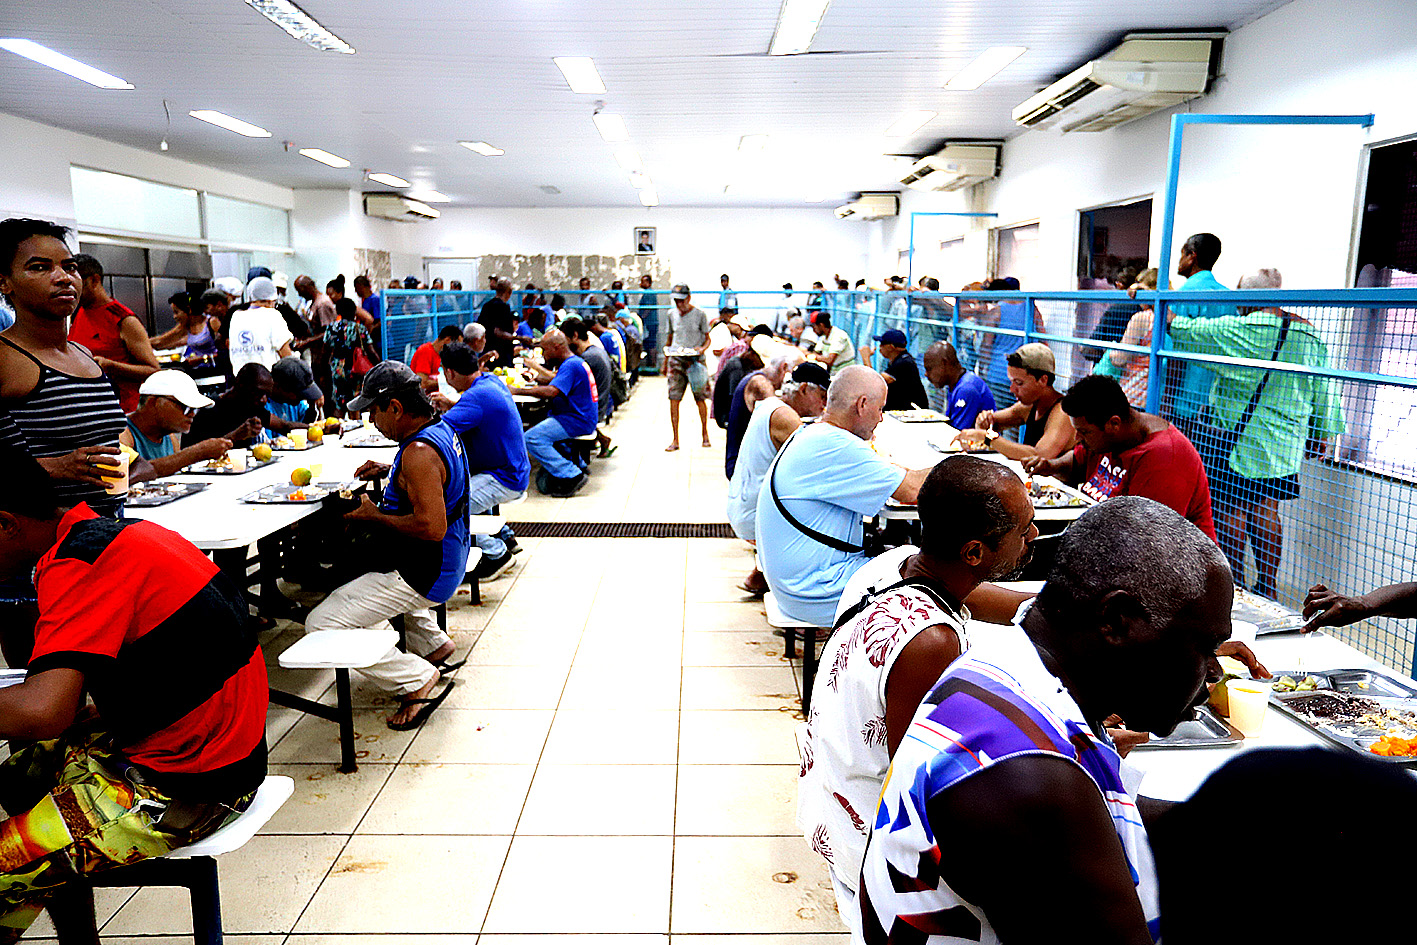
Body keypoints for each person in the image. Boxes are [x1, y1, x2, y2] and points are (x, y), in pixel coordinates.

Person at [859, 497, 1234, 945]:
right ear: (1116, 621)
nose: (1215, 670)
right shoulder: (1028, 780)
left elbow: (1112, 812)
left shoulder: (1004, 669)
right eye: (1205, 645)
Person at [0, 449, 268, 939]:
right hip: (211, 742)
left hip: (195, 784)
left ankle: (37, 878)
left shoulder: (77, 564)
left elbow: (45, 712)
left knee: (4, 861)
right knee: (18, 780)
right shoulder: (102, 534)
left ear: (5, 524)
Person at [799, 457, 1037, 932]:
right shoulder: (931, 642)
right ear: (973, 553)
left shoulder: (897, 567)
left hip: (828, 808)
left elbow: (1007, 604)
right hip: (867, 847)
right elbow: (925, 790)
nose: (1033, 537)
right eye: (1024, 529)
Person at [309, 362, 470, 730]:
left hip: (425, 569)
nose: (372, 420)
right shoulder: (438, 429)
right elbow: (436, 482)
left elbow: (430, 527)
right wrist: (391, 471)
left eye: (373, 411)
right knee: (353, 588)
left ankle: (415, 679)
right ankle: (432, 643)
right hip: (449, 556)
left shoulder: (419, 454)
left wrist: (372, 516)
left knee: (321, 622)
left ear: (395, 408)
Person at [1167, 267, 1344, 597]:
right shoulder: (1308, 335)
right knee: (1266, 510)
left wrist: (1155, 302)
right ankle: (1267, 586)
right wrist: (1323, 432)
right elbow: (1324, 389)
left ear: (1246, 298)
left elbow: (1183, 329)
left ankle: (1236, 585)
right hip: (1284, 445)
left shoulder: (1244, 329)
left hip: (1238, 440)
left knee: (1230, 509)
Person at [756, 366, 933, 626]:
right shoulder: (833, 444)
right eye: (880, 409)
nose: (881, 418)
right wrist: (962, 464)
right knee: (933, 580)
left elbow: (896, 477)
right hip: (815, 591)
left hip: (796, 582)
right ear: (862, 405)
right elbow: (912, 491)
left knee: (909, 560)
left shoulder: (814, 433)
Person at [0, 218, 140, 519]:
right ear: (4, 282)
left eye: (70, 267)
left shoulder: (84, 354)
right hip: (44, 544)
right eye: (39, 267)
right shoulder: (5, 357)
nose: (63, 277)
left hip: (105, 524)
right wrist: (55, 466)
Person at [1024, 374, 1216, 539]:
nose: (1077, 438)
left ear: (1113, 424)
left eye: (1084, 432)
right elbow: (1077, 462)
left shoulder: (1164, 460)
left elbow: (1148, 540)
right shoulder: (1108, 438)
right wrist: (1051, 466)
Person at [727, 362, 830, 594]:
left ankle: (760, 575)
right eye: (822, 396)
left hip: (741, 501)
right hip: (753, 515)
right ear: (804, 389)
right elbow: (816, 464)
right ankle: (799, 603)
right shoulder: (785, 418)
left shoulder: (771, 405)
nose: (824, 405)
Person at [433, 342, 528, 581]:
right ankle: (504, 535)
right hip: (511, 468)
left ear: (449, 373)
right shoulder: (489, 382)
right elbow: (480, 411)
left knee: (449, 506)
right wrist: (452, 405)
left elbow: (438, 433)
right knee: (464, 482)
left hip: (504, 477)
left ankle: (497, 554)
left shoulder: (475, 397)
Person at [68, 253, 161, 413]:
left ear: (94, 280)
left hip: (122, 412)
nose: (71, 289)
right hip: (89, 408)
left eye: (77, 283)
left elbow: (154, 371)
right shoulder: (78, 313)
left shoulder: (123, 319)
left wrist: (110, 365)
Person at [956, 342, 1075, 461]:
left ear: (1043, 380)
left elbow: (1040, 456)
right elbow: (989, 423)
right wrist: (983, 420)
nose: (1012, 389)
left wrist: (988, 438)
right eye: (1011, 382)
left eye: (1019, 383)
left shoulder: (1063, 412)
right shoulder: (1028, 407)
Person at [519, 329, 598, 497]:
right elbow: (558, 381)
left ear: (556, 347)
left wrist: (517, 390)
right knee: (540, 423)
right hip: (580, 416)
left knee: (531, 438)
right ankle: (579, 464)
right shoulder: (574, 362)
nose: (544, 355)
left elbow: (552, 392)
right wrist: (536, 380)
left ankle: (571, 474)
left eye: (546, 350)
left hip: (576, 419)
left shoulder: (571, 365)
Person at [120, 371, 231, 477]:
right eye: (185, 407)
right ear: (153, 402)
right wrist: (196, 453)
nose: (192, 414)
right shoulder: (123, 433)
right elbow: (127, 477)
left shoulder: (170, 438)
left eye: (195, 409)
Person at [183, 363, 296, 448]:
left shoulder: (253, 406)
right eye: (259, 393)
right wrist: (236, 436)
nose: (264, 400)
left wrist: (312, 428)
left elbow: (284, 426)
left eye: (267, 395)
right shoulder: (208, 409)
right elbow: (193, 453)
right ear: (240, 385)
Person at [724, 351, 793, 479]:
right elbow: (776, 411)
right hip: (742, 469)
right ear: (784, 368)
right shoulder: (760, 383)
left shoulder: (757, 377)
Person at [1098, 267, 1160, 407]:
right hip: (1158, 396)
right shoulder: (1165, 320)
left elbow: (1119, 359)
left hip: (1134, 393)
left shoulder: (1142, 318)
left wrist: (1112, 350)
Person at [980, 276, 1044, 408]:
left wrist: (982, 370)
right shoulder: (1032, 309)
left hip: (999, 373)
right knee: (1021, 418)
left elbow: (986, 345)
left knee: (999, 417)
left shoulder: (996, 312)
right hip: (1027, 374)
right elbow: (1042, 338)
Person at [665, 284, 712, 452]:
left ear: (688, 298)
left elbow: (707, 339)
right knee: (674, 398)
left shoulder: (700, 314)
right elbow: (670, 338)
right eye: (676, 301)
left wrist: (702, 349)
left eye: (681, 301)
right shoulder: (671, 315)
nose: (679, 305)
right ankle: (675, 439)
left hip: (695, 360)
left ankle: (705, 434)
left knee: (700, 398)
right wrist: (666, 361)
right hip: (676, 360)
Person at [561, 317, 615, 455]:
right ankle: (602, 439)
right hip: (602, 403)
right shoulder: (595, 351)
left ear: (575, 335)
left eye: (565, 339)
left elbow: (562, 381)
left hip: (595, 409)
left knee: (553, 410)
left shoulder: (588, 358)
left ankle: (570, 458)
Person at [323, 297, 378, 416]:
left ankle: (338, 428)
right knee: (355, 402)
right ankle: (356, 428)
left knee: (339, 402)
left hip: (337, 368)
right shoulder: (359, 328)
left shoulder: (331, 327)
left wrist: (325, 371)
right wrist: (379, 365)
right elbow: (371, 351)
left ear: (338, 312)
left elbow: (325, 351)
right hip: (355, 369)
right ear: (354, 312)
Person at [923, 340, 995, 430]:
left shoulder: (966, 389)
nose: (926, 374)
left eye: (929, 369)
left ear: (944, 364)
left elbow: (956, 433)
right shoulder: (955, 385)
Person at [227, 276, 294, 373]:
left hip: (241, 380)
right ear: (271, 300)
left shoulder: (236, 317)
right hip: (267, 379)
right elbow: (285, 353)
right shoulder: (272, 315)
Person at [713, 326, 771, 428]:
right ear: (753, 354)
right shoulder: (737, 367)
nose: (761, 365)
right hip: (728, 416)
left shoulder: (747, 364)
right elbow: (734, 399)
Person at [148, 291, 222, 369]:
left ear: (188, 310)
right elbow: (161, 341)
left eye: (176, 312)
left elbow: (225, 352)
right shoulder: (185, 327)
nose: (175, 317)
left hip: (216, 372)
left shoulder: (212, 322)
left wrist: (202, 359)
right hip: (199, 371)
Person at [859, 328, 926, 410]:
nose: (880, 347)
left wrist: (866, 359)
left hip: (912, 413)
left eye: (882, 343)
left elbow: (875, 383)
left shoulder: (904, 363)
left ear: (891, 347)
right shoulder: (898, 361)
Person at [267, 357, 323, 427]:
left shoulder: (297, 404)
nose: (302, 398)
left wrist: (312, 407)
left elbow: (308, 425)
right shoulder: (265, 405)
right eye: (299, 394)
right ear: (279, 387)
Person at [410, 325, 464, 392]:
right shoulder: (425, 352)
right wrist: (446, 383)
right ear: (448, 340)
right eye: (456, 345)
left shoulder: (441, 354)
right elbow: (422, 384)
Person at [478, 278, 517, 368]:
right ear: (509, 292)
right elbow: (497, 331)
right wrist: (520, 338)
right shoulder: (504, 308)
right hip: (502, 354)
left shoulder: (486, 306)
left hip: (487, 351)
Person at [808, 311, 857, 377]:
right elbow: (817, 352)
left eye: (814, 326)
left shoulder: (838, 336)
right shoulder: (823, 336)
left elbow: (829, 360)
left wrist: (813, 356)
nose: (814, 330)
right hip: (834, 372)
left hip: (846, 373)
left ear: (821, 325)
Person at [637, 274, 660, 368]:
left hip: (650, 322)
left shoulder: (649, 293)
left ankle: (652, 366)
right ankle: (650, 365)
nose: (641, 283)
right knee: (648, 343)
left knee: (651, 343)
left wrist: (641, 318)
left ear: (648, 283)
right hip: (649, 322)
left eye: (643, 281)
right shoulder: (647, 292)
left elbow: (648, 308)